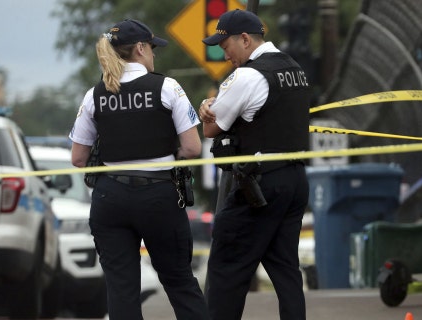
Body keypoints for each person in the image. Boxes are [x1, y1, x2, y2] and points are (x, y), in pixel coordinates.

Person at [69, 19, 210, 320]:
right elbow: (192, 148)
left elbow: (78, 157)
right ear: (141, 48)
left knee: (121, 288)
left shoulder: (95, 94)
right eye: (152, 49)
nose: (154, 56)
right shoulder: (166, 86)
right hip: (159, 195)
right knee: (179, 282)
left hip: (110, 199)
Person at [198, 9, 311, 320]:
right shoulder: (294, 68)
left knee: (226, 267)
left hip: (259, 187)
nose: (225, 55)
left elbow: (210, 128)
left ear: (245, 39)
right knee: (286, 269)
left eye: (226, 47)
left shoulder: (249, 75)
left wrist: (206, 105)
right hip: (295, 180)